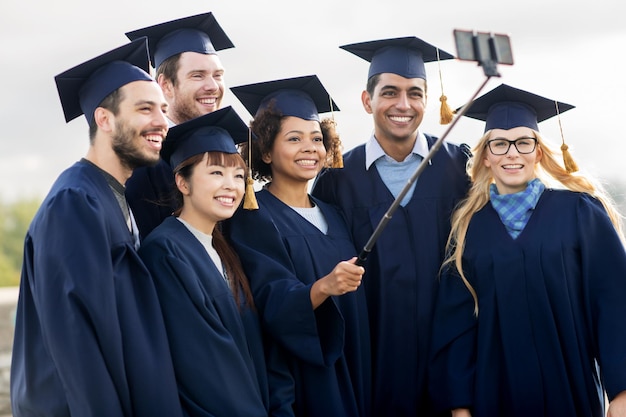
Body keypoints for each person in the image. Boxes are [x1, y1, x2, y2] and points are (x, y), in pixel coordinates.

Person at [428, 83, 626, 417]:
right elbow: (456, 327)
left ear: (538, 151)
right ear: (486, 156)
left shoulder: (579, 213)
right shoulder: (467, 231)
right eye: (499, 144)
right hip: (494, 395)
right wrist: (459, 406)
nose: (512, 153)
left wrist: (620, 392)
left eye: (523, 142)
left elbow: (614, 304)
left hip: (570, 386)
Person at [10, 39, 183, 417]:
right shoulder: (75, 202)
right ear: (104, 119)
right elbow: (75, 342)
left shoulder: (112, 196)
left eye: (163, 110)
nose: (161, 122)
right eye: (145, 109)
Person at [312, 36, 471, 416]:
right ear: (367, 101)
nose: (403, 105)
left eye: (415, 93)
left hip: (451, 354)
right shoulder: (337, 178)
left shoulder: (458, 167)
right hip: (374, 360)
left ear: (427, 100)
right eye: (390, 92)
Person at [226, 75, 372, 417]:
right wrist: (323, 287)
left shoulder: (334, 214)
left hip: (354, 363)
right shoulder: (253, 217)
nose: (310, 148)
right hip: (302, 374)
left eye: (317, 139)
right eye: (294, 139)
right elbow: (268, 299)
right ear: (265, 150)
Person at [138, 106, 294, 417]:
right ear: (183, 183)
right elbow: (202, 363)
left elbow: (262, 346)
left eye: (238, 175)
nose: (231, 186)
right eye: (216, 173)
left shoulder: (224, 250)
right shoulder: (165, 252)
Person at [125, 12, 234, 239]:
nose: (212, 86)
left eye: (218, 75)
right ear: (165, 85)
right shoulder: (144, 163)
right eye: (198, 76)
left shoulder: (226, 151)